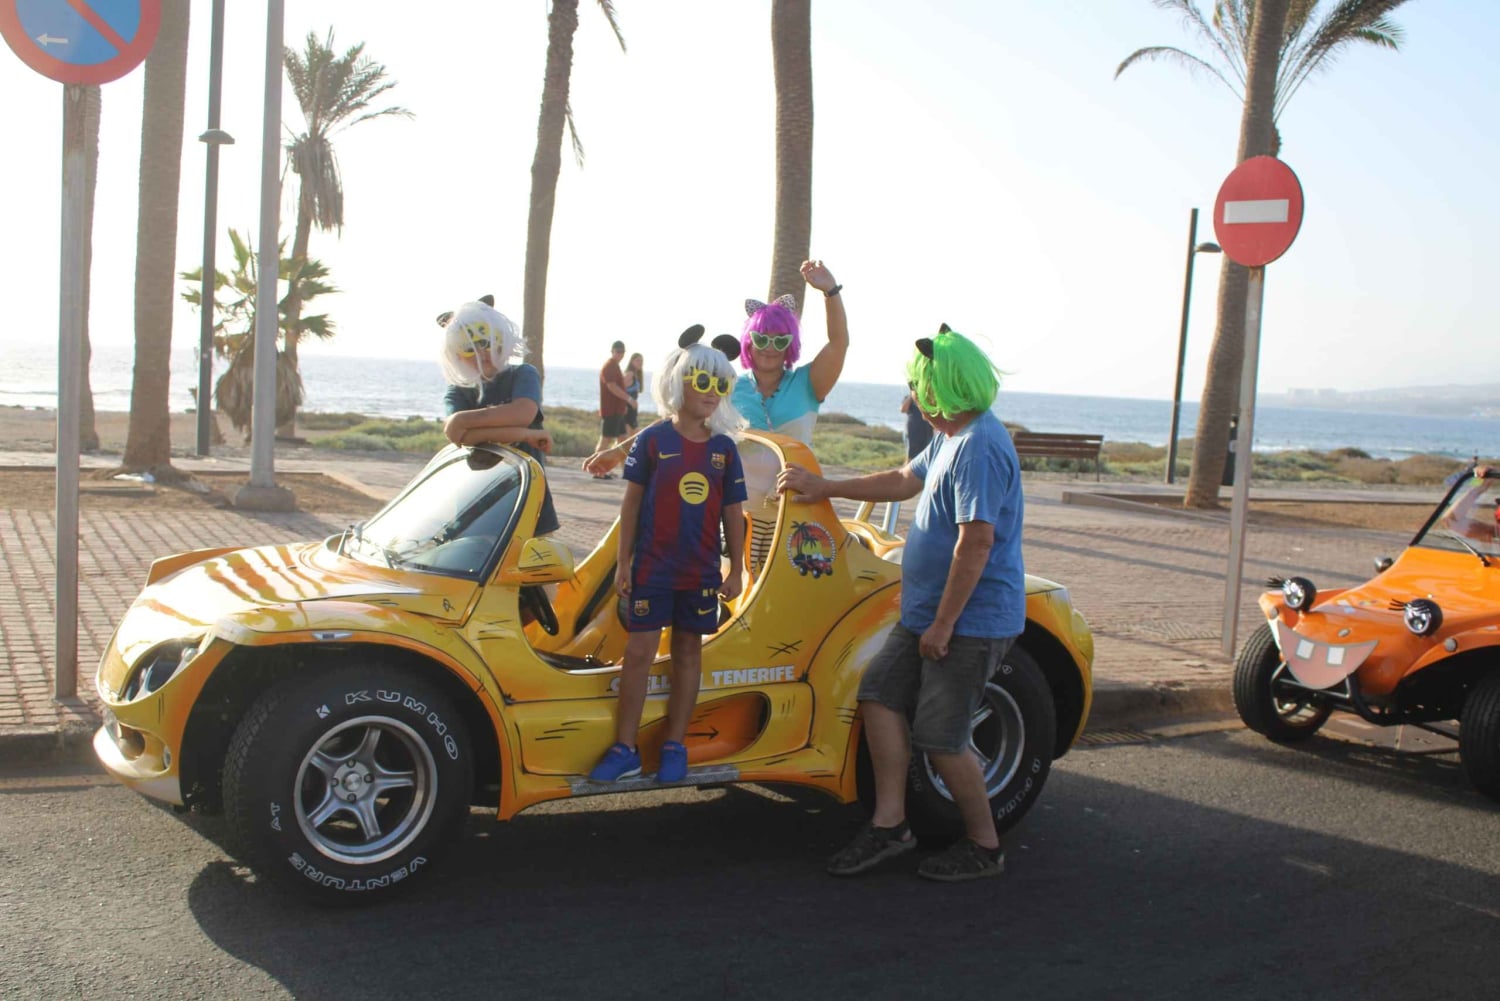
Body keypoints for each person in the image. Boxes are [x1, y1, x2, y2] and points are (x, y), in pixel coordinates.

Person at [777, 325, 1021, 882]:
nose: (912, 398)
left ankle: (985, 846)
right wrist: (826, 487)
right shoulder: (951, 435)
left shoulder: (979, 446)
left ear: (943, 388)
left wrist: (944, 625)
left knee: (942, 738)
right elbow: (903, 479)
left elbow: (977, 543)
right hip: (927, 615)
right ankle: (891, 826)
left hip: (968, 622)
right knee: (880, 695)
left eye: (918, 387)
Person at [588, 327, 748, 784]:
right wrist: (623, 563)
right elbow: (631, 505)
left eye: (721, 384)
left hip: (699, 573)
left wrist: (737, 569)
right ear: (679, 381)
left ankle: (675, 744)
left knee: (688, 653)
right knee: (638, 653)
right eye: (703, 381)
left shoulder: (724, 449)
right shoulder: (653, 440)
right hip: (652, 569)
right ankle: (625, 748)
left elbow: (733, 513)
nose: (712, 393)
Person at [438, 296, 559, 536]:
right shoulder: (458, 390)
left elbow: (522, 412)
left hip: (526, 501)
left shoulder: (523, 374)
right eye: (469, 348)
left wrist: (463, 421)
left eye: (487, 343)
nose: (482, 353)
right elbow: (459, 436)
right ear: (456, 354)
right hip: (474, 504)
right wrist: (524, 435)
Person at [732, 258, 849, 445]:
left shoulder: (807, 384)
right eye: (761, 339)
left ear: (790, 345)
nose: (769, 347)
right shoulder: (727, 387)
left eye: (780, 341)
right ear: (748, 342)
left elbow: (839, 343)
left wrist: (831, 291)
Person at [595, 340, 632, 479]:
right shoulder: (609, 366)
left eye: (622, 352)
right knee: (605, 441)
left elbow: (618, 386)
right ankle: (597, 470)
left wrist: (623, 405)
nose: (620, 354)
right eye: (618, 351)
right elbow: (611, 386)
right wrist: (629, 399)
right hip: (610, 411)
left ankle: (626, 471)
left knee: (623, 440)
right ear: (612, 352)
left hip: (618, 411)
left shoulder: (616, 366)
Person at [901, 384, 934, 459]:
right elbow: (903, 409)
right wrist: (912, 395)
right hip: (912, 432)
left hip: (927, 432)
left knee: (927, 457)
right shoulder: (908, 398)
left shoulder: (928, 398)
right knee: (911, 457)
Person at [623, 352, 645, 434]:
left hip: (632, 410)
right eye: (637, 360)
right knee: (628, 436)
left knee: (632, 435)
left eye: (641, 361)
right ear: (632, 362)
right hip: (626, 410)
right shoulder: (629, 374)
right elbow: (620, 390)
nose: (640, 363)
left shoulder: (636, 374)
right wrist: (624, 405)